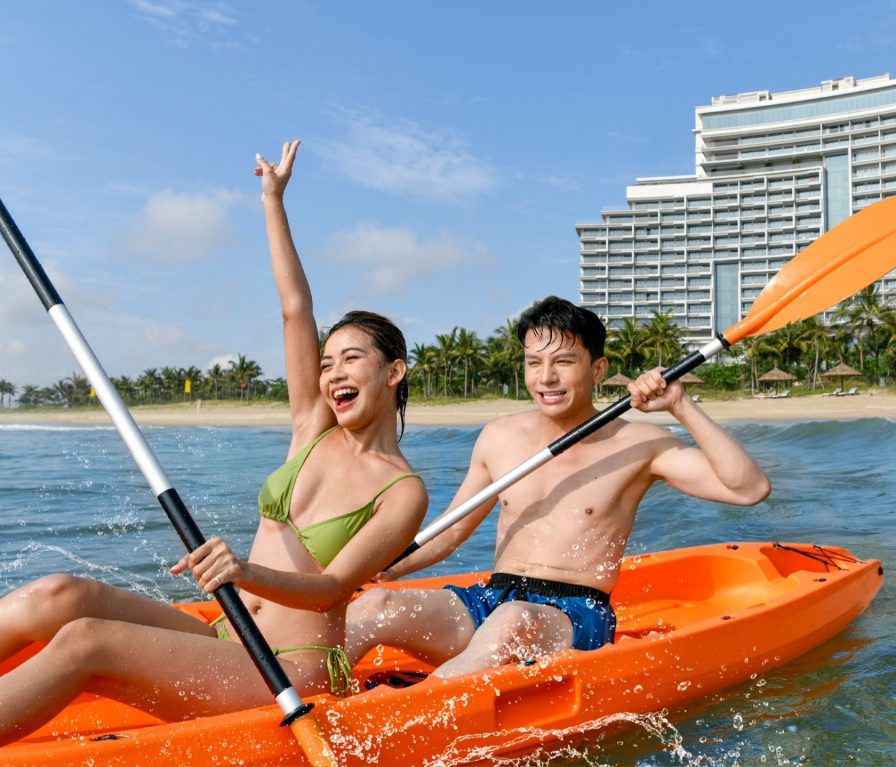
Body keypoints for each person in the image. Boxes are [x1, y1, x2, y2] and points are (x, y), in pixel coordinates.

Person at [0, 140, 427, 744]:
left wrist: (243, 570)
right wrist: (273, 201)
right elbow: (294, 309)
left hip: (292, 669)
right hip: (227, 637)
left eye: (350, 360)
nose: (332, 375)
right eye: (326, 362)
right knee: (58, 596)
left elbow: (332, 590)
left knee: (87, 640)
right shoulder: (312, 424)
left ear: (394, 371)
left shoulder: (402, 491)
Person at [345, 296, 769, 680]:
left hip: (574, 615)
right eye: (534, 363)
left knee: (511, 621)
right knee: (375, 606)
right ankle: (294, 705)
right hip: (492, 600)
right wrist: (375, 571)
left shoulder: (640, 444)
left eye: (563, 362)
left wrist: (680, 404)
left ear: (597, 368)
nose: (546, 377)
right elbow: (453, 529)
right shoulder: (499, 436)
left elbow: (748, 488)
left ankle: (403, 723)